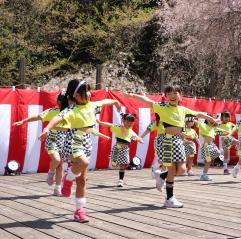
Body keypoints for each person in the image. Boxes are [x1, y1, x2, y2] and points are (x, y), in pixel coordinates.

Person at [39, 79, 120, 222]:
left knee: (82, 180)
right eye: (84, 92)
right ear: (76, 95)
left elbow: (105, 101)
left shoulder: (92, 105)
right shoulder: (71, 110)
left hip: (87, 142)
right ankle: (68, 179)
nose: (88, 94)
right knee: (84, 162)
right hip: (73, 141)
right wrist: (46, 128)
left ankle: (79, 210)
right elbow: (58, 117)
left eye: (89, 91)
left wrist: (115, 102)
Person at [123, 85, 217, 208]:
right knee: (172, 170)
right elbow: (147, 101)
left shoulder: (183, 110)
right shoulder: (162, 107)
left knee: (182, 169)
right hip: (166, 140)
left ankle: (161, 175)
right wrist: (131, 95)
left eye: (175, 93)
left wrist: (210, 118)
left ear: (180, 95)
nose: (172, 96)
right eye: (169, 94)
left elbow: (198, 113)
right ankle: (169, 198)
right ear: (166, 97)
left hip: (178, 140)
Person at [13, 93, 69, 196]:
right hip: (52, 139)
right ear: (60, 102)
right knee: (56, 160)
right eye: (66, 100)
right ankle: (51, 172)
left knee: (60, 165)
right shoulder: (53, 112)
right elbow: (37, 117)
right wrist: (23, 121)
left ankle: (57, 189)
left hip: (64, 140)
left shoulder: (70, 113)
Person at [97, 114, 144, 187]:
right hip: (117, 148)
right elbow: (110, 125)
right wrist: (100, 122)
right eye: (128, 122)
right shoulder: (119, 127)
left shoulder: (130, 131)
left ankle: (120, 180)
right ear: (123, 121)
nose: (129, 124)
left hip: (125, 149)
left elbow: (136, 137)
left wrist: (140, 140)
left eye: (131, 123)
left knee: (123, 164)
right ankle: (115, 163)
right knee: (114, 165)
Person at [195, 115, 228, 181]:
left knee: (218, 153)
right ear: (207, 120)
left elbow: (226, 132)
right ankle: (204, 174)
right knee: (209, 160)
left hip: (212, 145)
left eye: (213, 119)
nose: (213, 121)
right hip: (206, 146)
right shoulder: (203, 125)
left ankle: (204, 172)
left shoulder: (214, 128)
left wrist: (217, 125)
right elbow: (195, 121)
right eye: (211, 119)